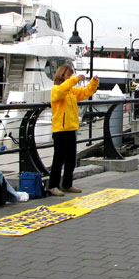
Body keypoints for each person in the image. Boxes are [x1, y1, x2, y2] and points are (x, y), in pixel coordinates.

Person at [49, 64, 99, 197]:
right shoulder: (56, 89)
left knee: (71, 158)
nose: (70, 77)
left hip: (71, 128)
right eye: (68, 75)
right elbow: (61, 91)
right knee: (58, 158)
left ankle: (67, 184)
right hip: (60, 129)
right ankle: (53, 186)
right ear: (62, 76)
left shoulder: (71, 91)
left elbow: (86, 92)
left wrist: (93, 82)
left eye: (71, 75)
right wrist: (74, 80)